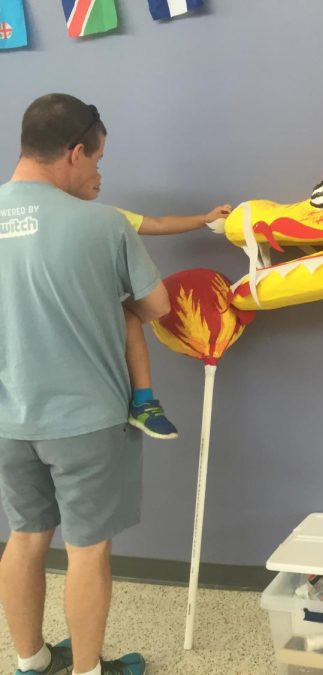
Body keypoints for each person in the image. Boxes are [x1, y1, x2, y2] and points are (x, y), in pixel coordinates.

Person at [0, 94, 169, 675]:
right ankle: (88, 671)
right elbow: (157, 306)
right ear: (73, 153)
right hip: (85, 422)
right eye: (96, 159)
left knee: (23, 537)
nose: (99, 172)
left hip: (7, 419)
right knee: (87, 549)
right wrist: (108, 304)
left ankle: (30, 662)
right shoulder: (104, 223)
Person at [114, 205, 232, 440]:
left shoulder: (110, 217)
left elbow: (158, 223)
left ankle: (143, 401)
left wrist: (204, 218)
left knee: (129, 317)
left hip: (108, 306)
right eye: (94, 167)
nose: (99, 177)